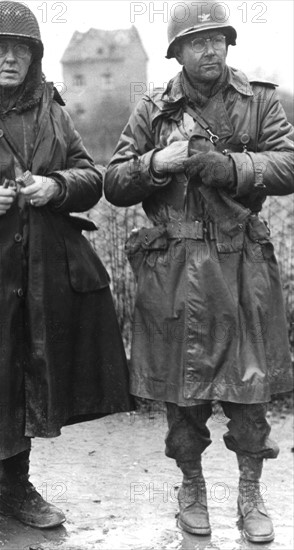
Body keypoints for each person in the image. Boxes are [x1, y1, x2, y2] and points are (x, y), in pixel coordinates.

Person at [0, 2, 132, 548]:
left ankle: (15, 488)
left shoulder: (53, 113)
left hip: (38, 273)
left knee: (25, 375)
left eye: (22, 49)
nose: (11, 57)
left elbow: (91, 175)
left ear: (36, 57)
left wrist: (57, 186)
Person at [104, 0, 294, 543]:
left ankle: (251, 492)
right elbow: (114, 183)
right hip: (174, 271)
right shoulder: (152, 111)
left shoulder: (258, 101)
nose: (209, 49)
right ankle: (191, 486)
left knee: (249, 390)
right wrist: (153, 165)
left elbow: (289, 162)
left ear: (229, 44)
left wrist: (234, 166)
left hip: (242, 266)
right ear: (178, 52)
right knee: (181, 394)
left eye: (217, 39)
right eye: (197, 41)